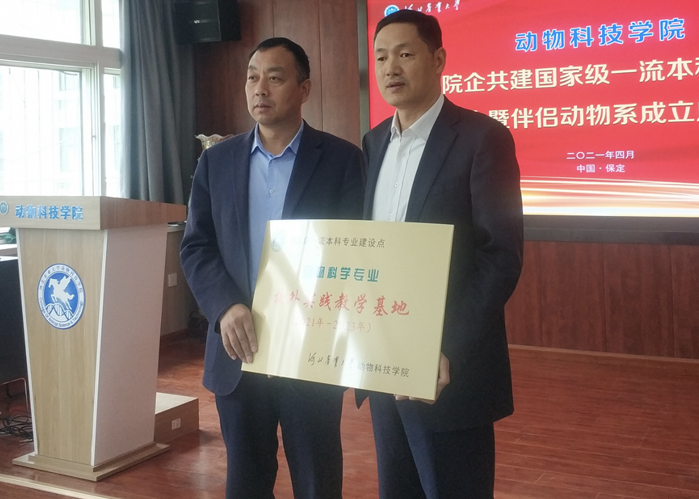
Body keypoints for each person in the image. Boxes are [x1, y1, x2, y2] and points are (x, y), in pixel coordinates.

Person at [180, 37, 364, 499]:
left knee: (317, 478)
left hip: (310, 348)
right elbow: (197, 246)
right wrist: (225, 306)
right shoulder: (216, 161)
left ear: (304, 89)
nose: (260, 88)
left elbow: (357, 250)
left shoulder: (342, 160)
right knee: (245, 478)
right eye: (252, 77)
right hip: (238, 349)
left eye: (275, 78)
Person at [361, 10, 524, 498]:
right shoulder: (373, 143)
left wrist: (447, 344)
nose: (391, 68)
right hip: (383, 358)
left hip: (448, 369)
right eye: (381, 57)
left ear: (438, 60)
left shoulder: (482, 138)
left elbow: (500, 255)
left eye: (405, 54)